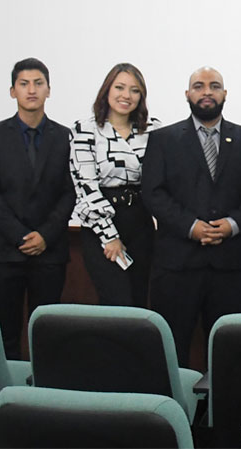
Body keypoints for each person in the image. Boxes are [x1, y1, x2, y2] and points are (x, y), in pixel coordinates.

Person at [142, 66, 241, 367]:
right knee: (173, 350)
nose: (207, 92)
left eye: (214, 86)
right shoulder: (163, 139)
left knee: (231, 352)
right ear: (188, 94)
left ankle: (224, 414)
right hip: (177, 265)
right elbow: (153, 193)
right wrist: (190, 227)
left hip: (230, 266)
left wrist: (233, 224)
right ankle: (178, 412)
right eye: (199, 86)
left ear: (225, 94)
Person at [0, 58, 74, 360]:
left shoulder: (65, 137)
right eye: (24, 84)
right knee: (6, 331)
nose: (31, 90)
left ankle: (43, 396)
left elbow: (69, 193)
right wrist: (21, 235)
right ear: (12, 91)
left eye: (38, 83)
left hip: (50, 250)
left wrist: (45, 235)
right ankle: (7, 396)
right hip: (6, 251)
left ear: (48, 90)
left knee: (45, 331)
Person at [70, 63, 161, 307]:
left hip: (141, 223)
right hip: (102, 225)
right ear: (107, 90)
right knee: (116, 302)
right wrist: (109, 237)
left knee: (139, 300)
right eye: (119, 87)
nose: (126, 96)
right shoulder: (85, 130)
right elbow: (85, 187)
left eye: (134, 90)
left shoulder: (153, 130)